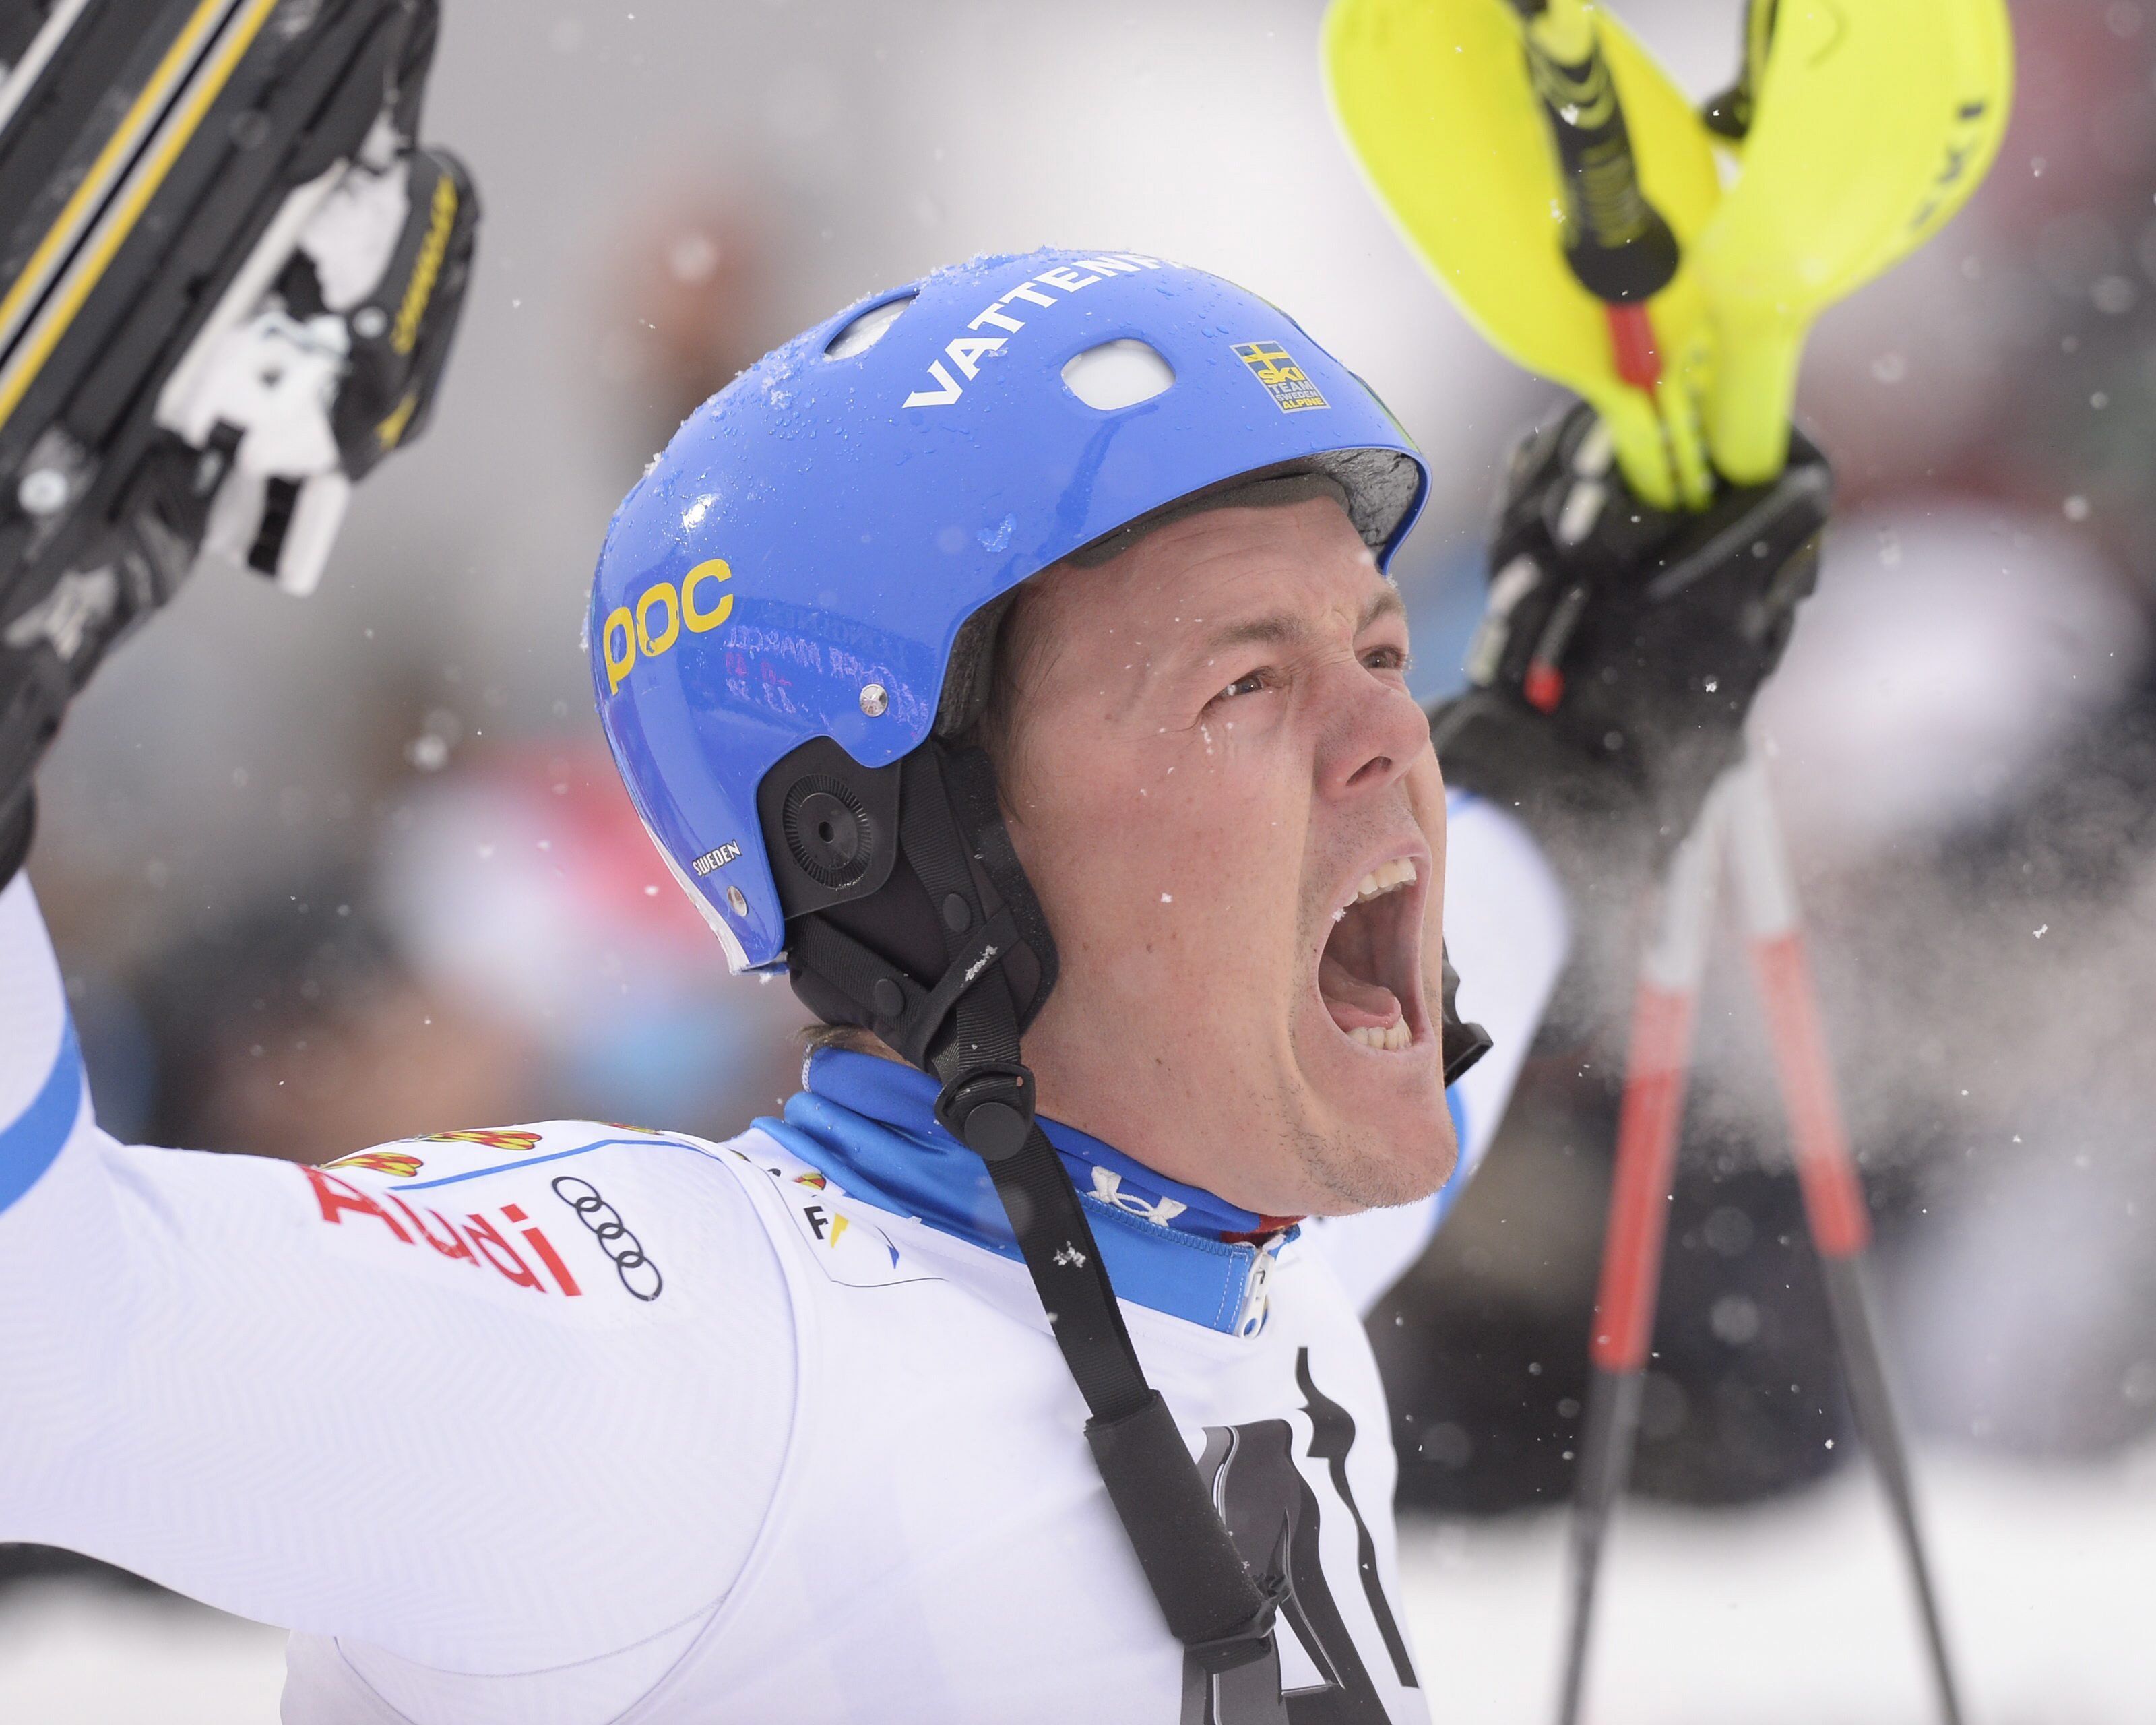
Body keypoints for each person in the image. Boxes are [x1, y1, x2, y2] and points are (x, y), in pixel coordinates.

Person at [0, 246, 1822, 1722]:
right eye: (1246, 688)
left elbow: (1484, 873)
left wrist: (1585, 738)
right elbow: (44, 1345)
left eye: (1374, 647)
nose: (1388, 741)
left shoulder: (1232, 1233)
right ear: (912, 869)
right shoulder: (687, 1364)